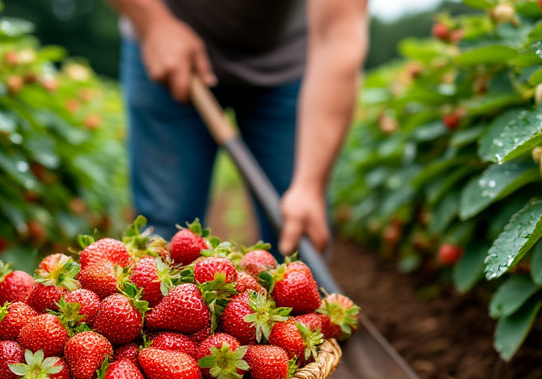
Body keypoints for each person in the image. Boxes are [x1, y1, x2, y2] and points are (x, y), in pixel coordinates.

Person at [108, 0, 369, 254]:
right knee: (164, 235)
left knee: (298, 238)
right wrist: (155, 24)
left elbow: (339, 39)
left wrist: (309, 186)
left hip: (287, 64)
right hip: (165, 45)